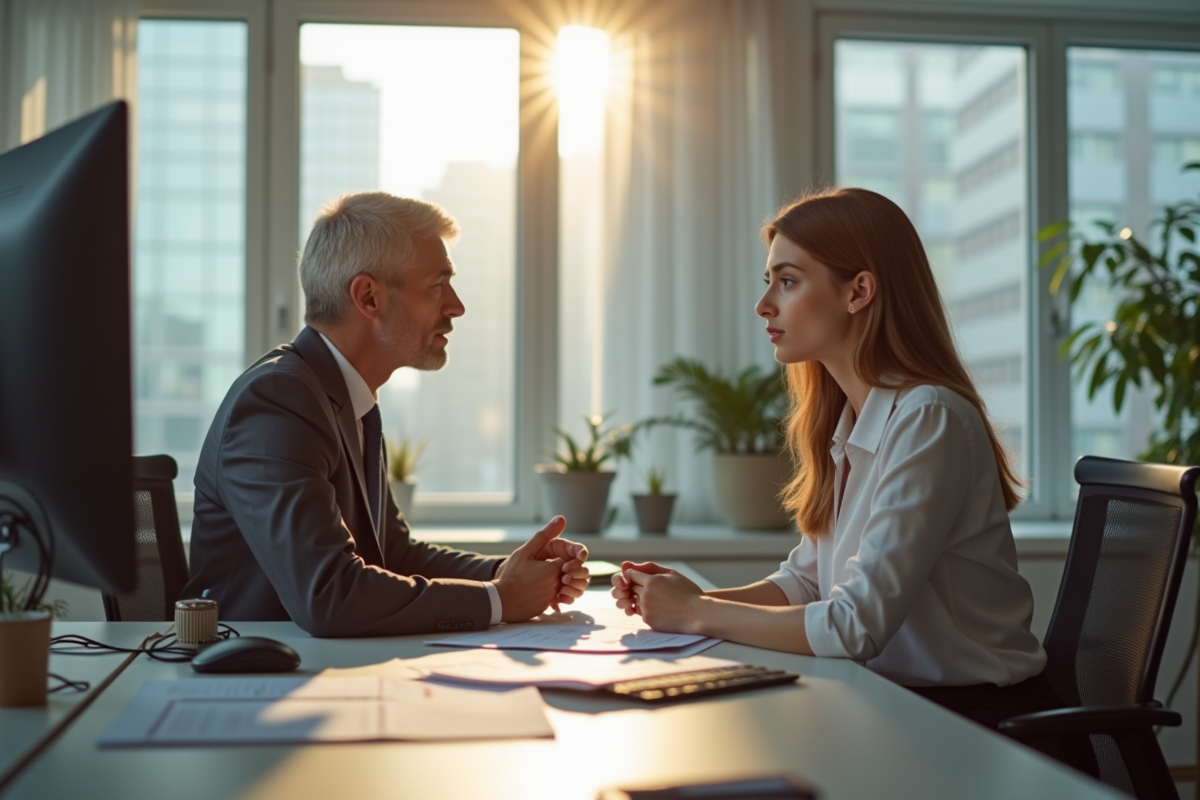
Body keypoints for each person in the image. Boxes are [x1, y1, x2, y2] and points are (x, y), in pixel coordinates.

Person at [611, 187, 1059, 732]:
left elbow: (854, 626)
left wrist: (695, 613)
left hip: (975, 723)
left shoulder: (928, 418)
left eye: (788, 281)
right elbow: (806, 585)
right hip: (892, 706)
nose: (764, 305)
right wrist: (683, 600)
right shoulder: (851, 421)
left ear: (859, 291)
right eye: (769, 281)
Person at [183, 192, 588, 637]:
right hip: (253, 668)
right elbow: (330, 595)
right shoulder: (278, 401)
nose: (456, 306)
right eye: (437, 286)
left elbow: (393, 555)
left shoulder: (346, 399)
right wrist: (501, 599)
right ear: (369, 297)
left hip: (316, 663)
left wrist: (508, 573)